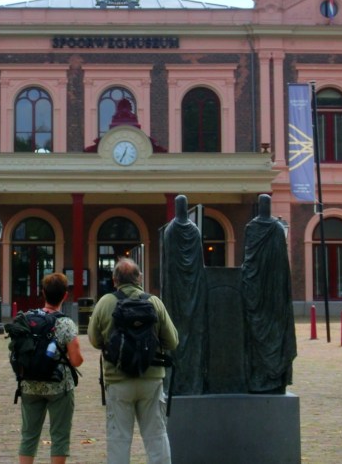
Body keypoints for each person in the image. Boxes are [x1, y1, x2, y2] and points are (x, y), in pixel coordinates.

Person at [88, 258, 179, 464]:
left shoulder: (105, 302)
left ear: (114, 280)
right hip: (151, 378)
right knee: (156, 436)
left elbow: (94, 339)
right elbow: (172, 341)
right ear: (139, 278)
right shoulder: (154, 302)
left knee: (119, 439)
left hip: (117, 379)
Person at [18, 272, 84, 464]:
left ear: (43, 293)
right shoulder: (66, 323)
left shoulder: (27, 319)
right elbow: (76, 360)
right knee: (60, 436)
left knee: (28, 435)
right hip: (59, 386)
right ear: (65, 295)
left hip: (29, 384)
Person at [240, 194, 297, 394]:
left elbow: (249, 263)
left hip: (264, 292)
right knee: (264, 332)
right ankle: (264, 377)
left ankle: (265, 379)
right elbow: (280, 265)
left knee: (262, 332)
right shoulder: (274, 228)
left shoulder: (258, 228)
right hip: (269, 292)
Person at [159, 194, 207, 396]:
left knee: (179, 332)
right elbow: (198, 265)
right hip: (190, 291)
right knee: (189, 332)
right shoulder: (192, 230)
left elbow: (168, 266)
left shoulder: (171, 230)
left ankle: (180, 381)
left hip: (177, 293)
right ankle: (188, 381)